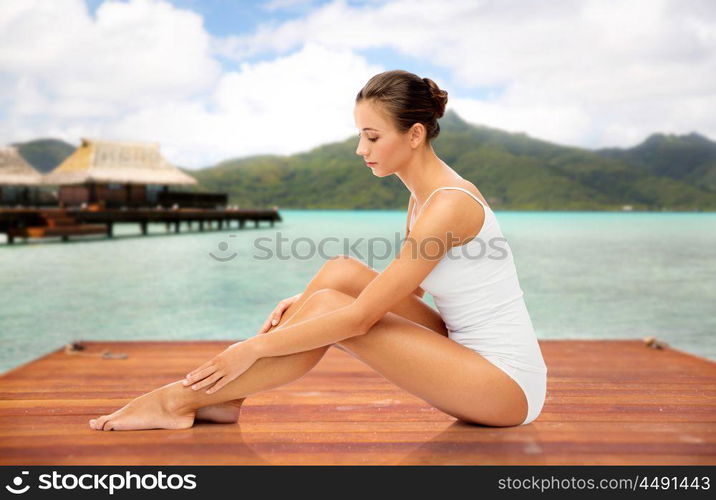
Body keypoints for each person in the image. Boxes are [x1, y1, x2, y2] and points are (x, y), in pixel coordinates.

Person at [89, 69, 547, 431]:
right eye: (359, 135)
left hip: (506, 386)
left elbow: (360, 319)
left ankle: (179, 399)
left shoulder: (449, 205)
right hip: (460, 347)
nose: (359, 148)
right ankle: (228, 398)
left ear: (415, 135)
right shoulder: (424, 197)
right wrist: (307, 308)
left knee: (334, 305)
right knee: (340, 272)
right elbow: (410, 297)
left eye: (372, 136)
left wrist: (250, 348)